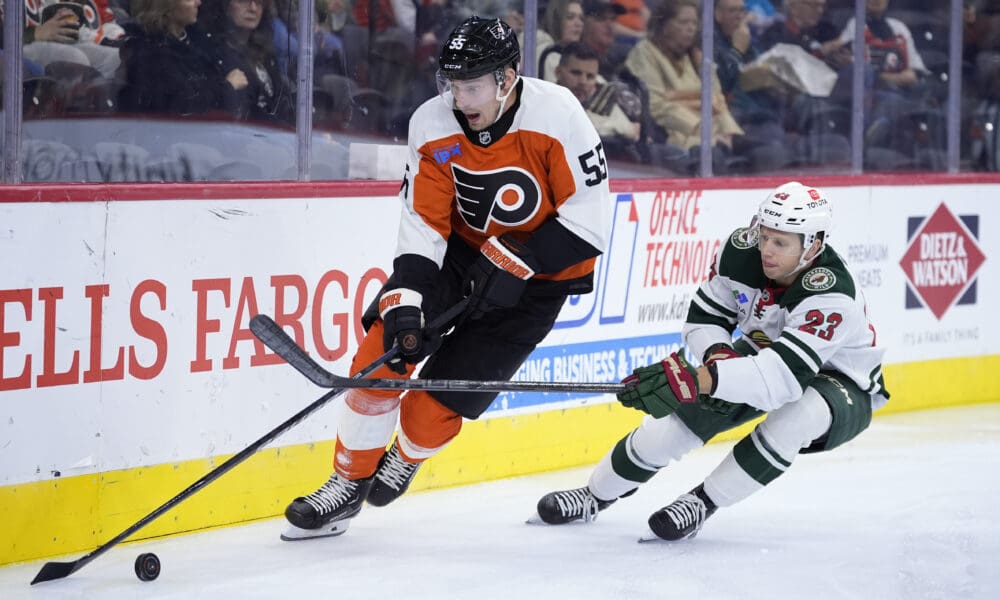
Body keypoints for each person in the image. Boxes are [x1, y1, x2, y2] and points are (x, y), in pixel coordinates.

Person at [282, 15, 612, 540]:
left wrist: (517, 257)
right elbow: (423, 219)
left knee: (437, 405)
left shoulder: (558, 114)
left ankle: (408, 454)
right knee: (380, 353)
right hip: (459, 255)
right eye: (452, 84)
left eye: (473, 85)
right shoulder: (431, 122)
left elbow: (589, 220)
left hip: (541, 279)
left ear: (508, 77)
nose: (459, 98)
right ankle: (345, 485)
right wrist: (410, 295)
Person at [535, 181, 889, 542]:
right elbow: (705, 319)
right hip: (768, 356)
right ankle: (594, 495)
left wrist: (704, 379)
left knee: (796, 417)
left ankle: (702, 502)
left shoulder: (831, 294)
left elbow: (780, 382)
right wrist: (718, 356)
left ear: (812, 245)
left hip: (842, 380)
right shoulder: (741, 251)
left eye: (780, 242)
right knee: (671, 426)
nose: (766, 249)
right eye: (765, 235)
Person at [117, 0, 245, 116]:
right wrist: (227, 87)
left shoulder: (197, 41)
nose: (198, 3)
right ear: (165, 5)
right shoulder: (147, 52)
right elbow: (179, 103)